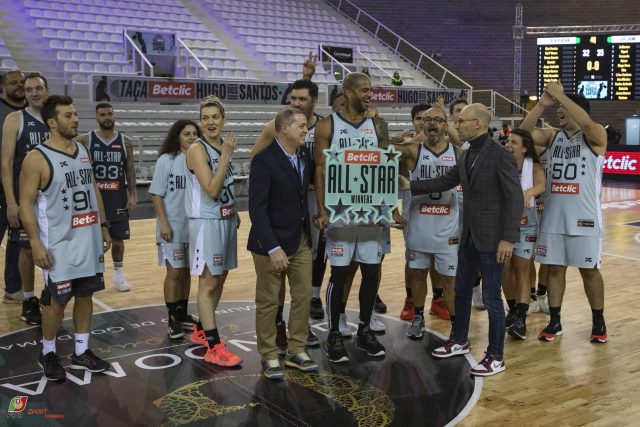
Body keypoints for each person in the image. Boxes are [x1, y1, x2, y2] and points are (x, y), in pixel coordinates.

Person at [412, 103, 523, 376]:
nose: (456, 125)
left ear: (479, 124)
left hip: (493, 240)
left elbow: (515, 197)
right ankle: (459, 339)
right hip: (469, 237)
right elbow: (444, 181)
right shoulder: (465, 155)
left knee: (491, 298)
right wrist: (409, 185)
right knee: (461, 291)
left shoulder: (499, 155)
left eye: (461, 121)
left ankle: (496, 356)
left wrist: (508, 239)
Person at [19, 95, 111, 381]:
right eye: (68, 115)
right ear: (51, 122)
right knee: (56, 303)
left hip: (88, 237)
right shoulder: (36, 158)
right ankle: (47, 352)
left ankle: (81, 351)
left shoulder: (82, 149)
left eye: (74, 114)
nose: (75, 119)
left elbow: (93, 188)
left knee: (86, 294)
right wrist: (35, 242)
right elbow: (25, 204)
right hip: (58, 244)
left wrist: (104, 225)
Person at [315, 72, 403, 363]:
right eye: (364, 90)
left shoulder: (378, 124)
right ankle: (334, 334)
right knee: (339, 274)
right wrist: (322, 209)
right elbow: (320, 169)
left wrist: (392, 209)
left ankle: (364, 329)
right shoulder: (328, 124)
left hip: (370, 213)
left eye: (371, 90)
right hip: (340, 213)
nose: (370, 94)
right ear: (348, 92)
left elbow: (386, 168)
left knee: (371, 272)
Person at [520, 81, 608, 343]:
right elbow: (522, 135)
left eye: (563, 107)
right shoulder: (552, 136)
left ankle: (598, 322)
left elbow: (589, 125)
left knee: (589, 270)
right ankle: (555, 321)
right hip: (554, 218)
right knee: (555, 269)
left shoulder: (595, 135)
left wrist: (562, 96)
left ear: (579, 110)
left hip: (585, 219)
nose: (559, 110)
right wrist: (542, 105)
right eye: (557, 107)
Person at [252, 72, 322, 351]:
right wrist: (271, 247)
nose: (306, 131)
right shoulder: (264, 159)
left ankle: (297, 349)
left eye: (307, 125)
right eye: (301, 127)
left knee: (303, 296)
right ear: (284, 128)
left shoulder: (304, 154)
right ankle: (268, 353)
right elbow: (257, 210)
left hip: (300, 234)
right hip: (272, 239)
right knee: (269, 300)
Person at [392, 106, 460, 339]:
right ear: (422, 125)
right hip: (419, 224)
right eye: (428, 119)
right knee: (418, 274)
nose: (432, 123)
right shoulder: (413, 150)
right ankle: (418, 315)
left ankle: (456, 324)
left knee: (450, 280)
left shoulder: (458, 153)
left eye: (438, 120)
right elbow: (386, 157)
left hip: (448, 229)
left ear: (446, 125)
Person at [185, 96, 242, 367]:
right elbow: (211, 189)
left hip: (225, 219)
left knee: (219, 280)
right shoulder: (198, 149)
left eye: (215, 117)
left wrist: (234, 211)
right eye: (205, 117)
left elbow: (226, 187)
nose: (210, 122)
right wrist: (227, 156)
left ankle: (200, 329)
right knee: (208, 282)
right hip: (206, 222)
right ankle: (213, 345)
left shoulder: (220, 145)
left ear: (223, 118)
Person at [2, 72, 50, 325]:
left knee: (54, 246)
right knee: (27, 249)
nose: (34, 92)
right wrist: (11, 201)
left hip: (52, 197)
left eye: (38, 88)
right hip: (26, 198)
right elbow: (6, 163)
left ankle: (49, 291)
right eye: (29, 89)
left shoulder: (55, 118)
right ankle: (29, 301)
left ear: (46, 90)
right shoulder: (15, 119)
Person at [77, 103, 137, 292]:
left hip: (117, 197)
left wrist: (133, 194)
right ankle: (91, 275)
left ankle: (118, 274)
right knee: (91, 240)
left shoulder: (125, 141)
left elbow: (129, 170)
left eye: (110, 114)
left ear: (114, 116)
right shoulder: (85, 140)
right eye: (102, 114)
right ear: (96, 118)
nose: (107, 117)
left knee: (118, 240)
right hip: (94, 198)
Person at [149, 120, 200, 339]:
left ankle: (182, 314)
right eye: (186, 133)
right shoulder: (166, 160)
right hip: (172, 226)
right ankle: (171, 318)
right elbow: (157, 194)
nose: (191, 137)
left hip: (194, 226)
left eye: (194, 133)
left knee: (187, 271)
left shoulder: (199, 160)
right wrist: (164, 224)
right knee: (175, 272)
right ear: (176, 136)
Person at [501, 129, 545, 339]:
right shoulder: (500, 165)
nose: (508, 144)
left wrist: (529, 192)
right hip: (503, 225)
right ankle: (512, 310)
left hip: (527, 224)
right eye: (508, 141)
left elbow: (540, 185)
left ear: (525, 148)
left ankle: (521, 317)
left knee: (522, 270)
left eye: (514, 142)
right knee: (504, 270)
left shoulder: (534, 166)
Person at [0, 70, 26, 304]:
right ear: (2, 87)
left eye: (21, 81)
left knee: (18, 240)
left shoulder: (32, 112)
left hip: (22, 189)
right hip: (1, 187)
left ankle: (13, 288)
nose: (19, 85)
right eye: (13, 82)